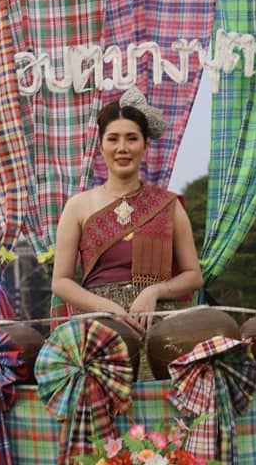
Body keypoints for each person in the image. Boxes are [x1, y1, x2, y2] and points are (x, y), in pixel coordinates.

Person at [51, 89, 203, 379]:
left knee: (160, 404)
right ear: (100, 146)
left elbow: (193, 276)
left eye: (132, 138)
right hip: (98, 330)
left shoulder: (168, 205)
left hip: (160, 330)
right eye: (113, 139)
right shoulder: (78, 206)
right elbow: (60, 282)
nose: (122, 148)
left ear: (146, 145)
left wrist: (154, 291)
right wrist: (106, 308)